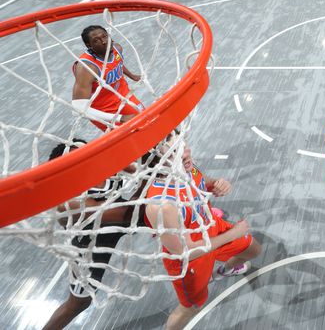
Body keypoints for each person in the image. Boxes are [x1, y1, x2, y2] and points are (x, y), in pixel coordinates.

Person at [145, 133, 262, 330]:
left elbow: (205, 182)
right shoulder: (161, 205)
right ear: (159, 162)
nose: (184, 153)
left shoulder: (187, 169)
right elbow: (186, 252)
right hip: (191, 259)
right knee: (191, 307)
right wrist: (233, 234)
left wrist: (218, 184)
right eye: (174, 152)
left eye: (183, 146)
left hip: (212, 227)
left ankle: (225, 270)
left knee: (253, 249)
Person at [43, 139, 142, 330]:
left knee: (168, 219)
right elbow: (126, 214)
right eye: (78, 159)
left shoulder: (103, 163)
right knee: (78, 304)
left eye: (87, 152)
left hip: (119, 213)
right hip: (90, 246)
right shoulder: (66, 203)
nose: (87, 158)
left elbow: (138, 169)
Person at [72, 25, 143, 131]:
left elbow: (117, 63)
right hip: (104, 110)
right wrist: (120, 118)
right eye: (96, 40)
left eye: (105, 36)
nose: (104, 41)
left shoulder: (117, 48)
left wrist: (131, 75)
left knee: (147, 121)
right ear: (89, 45)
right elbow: (78, 107)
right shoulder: (87, 68)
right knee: (132, 138)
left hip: (123, 96)